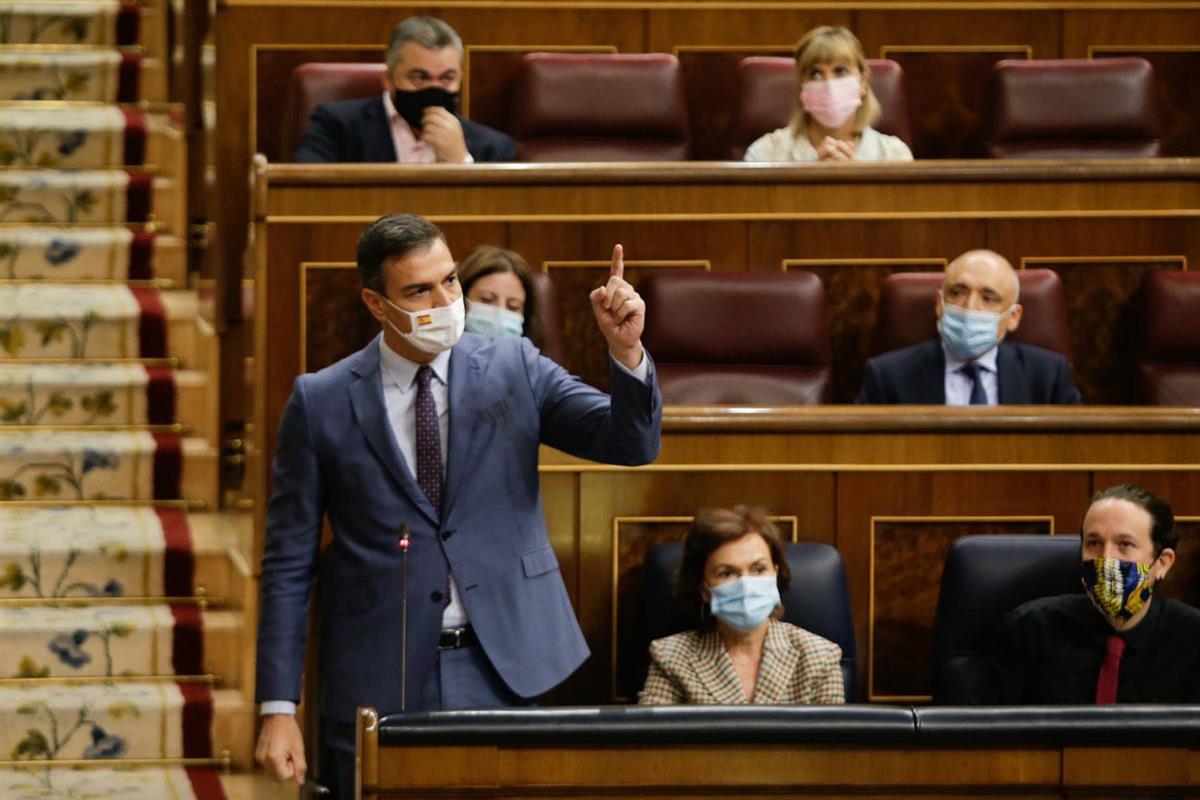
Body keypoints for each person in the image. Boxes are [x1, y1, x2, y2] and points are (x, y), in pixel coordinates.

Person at [254, 213, 661, 798]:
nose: (443, 300)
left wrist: (626, 352)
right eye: (419, 290)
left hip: (504, 665)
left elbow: (631, 444)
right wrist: (277, 705)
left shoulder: (513, 366)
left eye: (448, 281)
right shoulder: (320, 402)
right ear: (376, 303)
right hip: (380, 673)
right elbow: (288, 564)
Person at [984, 484, 1200, 703]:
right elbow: (987, 731)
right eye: (1094, 543)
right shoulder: (1028, 630)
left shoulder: (1193, 638)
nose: (1106, 558)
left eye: (1125, 544)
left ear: (1162, 563)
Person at [638, 506, 844, 705]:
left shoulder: (819, 657)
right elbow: (650, 738)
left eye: (758, 569)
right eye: (726, 573)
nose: (746, 584)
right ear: (704, 590)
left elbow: (834, 740)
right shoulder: (672, 657)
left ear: (775, 573)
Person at [857, 249, 1081, 404]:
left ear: (1013, 317)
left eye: (988, 298)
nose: (970, 307)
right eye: (958, 292)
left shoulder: (1048, 375)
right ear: (939, 304)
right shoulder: (888, 376)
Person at [294, 16, 516, 163]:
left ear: (460, 78)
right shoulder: (336, 125)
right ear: (389, 80)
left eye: (447, 78)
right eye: (420, 77)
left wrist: (461, 163)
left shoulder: (494, 149)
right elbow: (304, 193)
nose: (434, 89)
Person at [743, 26, 912, 163]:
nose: (829, 84)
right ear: (802, 87)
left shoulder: (894, 155)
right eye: (815, 74)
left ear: (863, 82)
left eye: (840, 71)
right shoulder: (765, 154)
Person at [457, 245, 546, 348]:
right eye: (487, 300)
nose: (500, 313)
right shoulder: (440, 358)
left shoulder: (532, 361)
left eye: (513, 306)